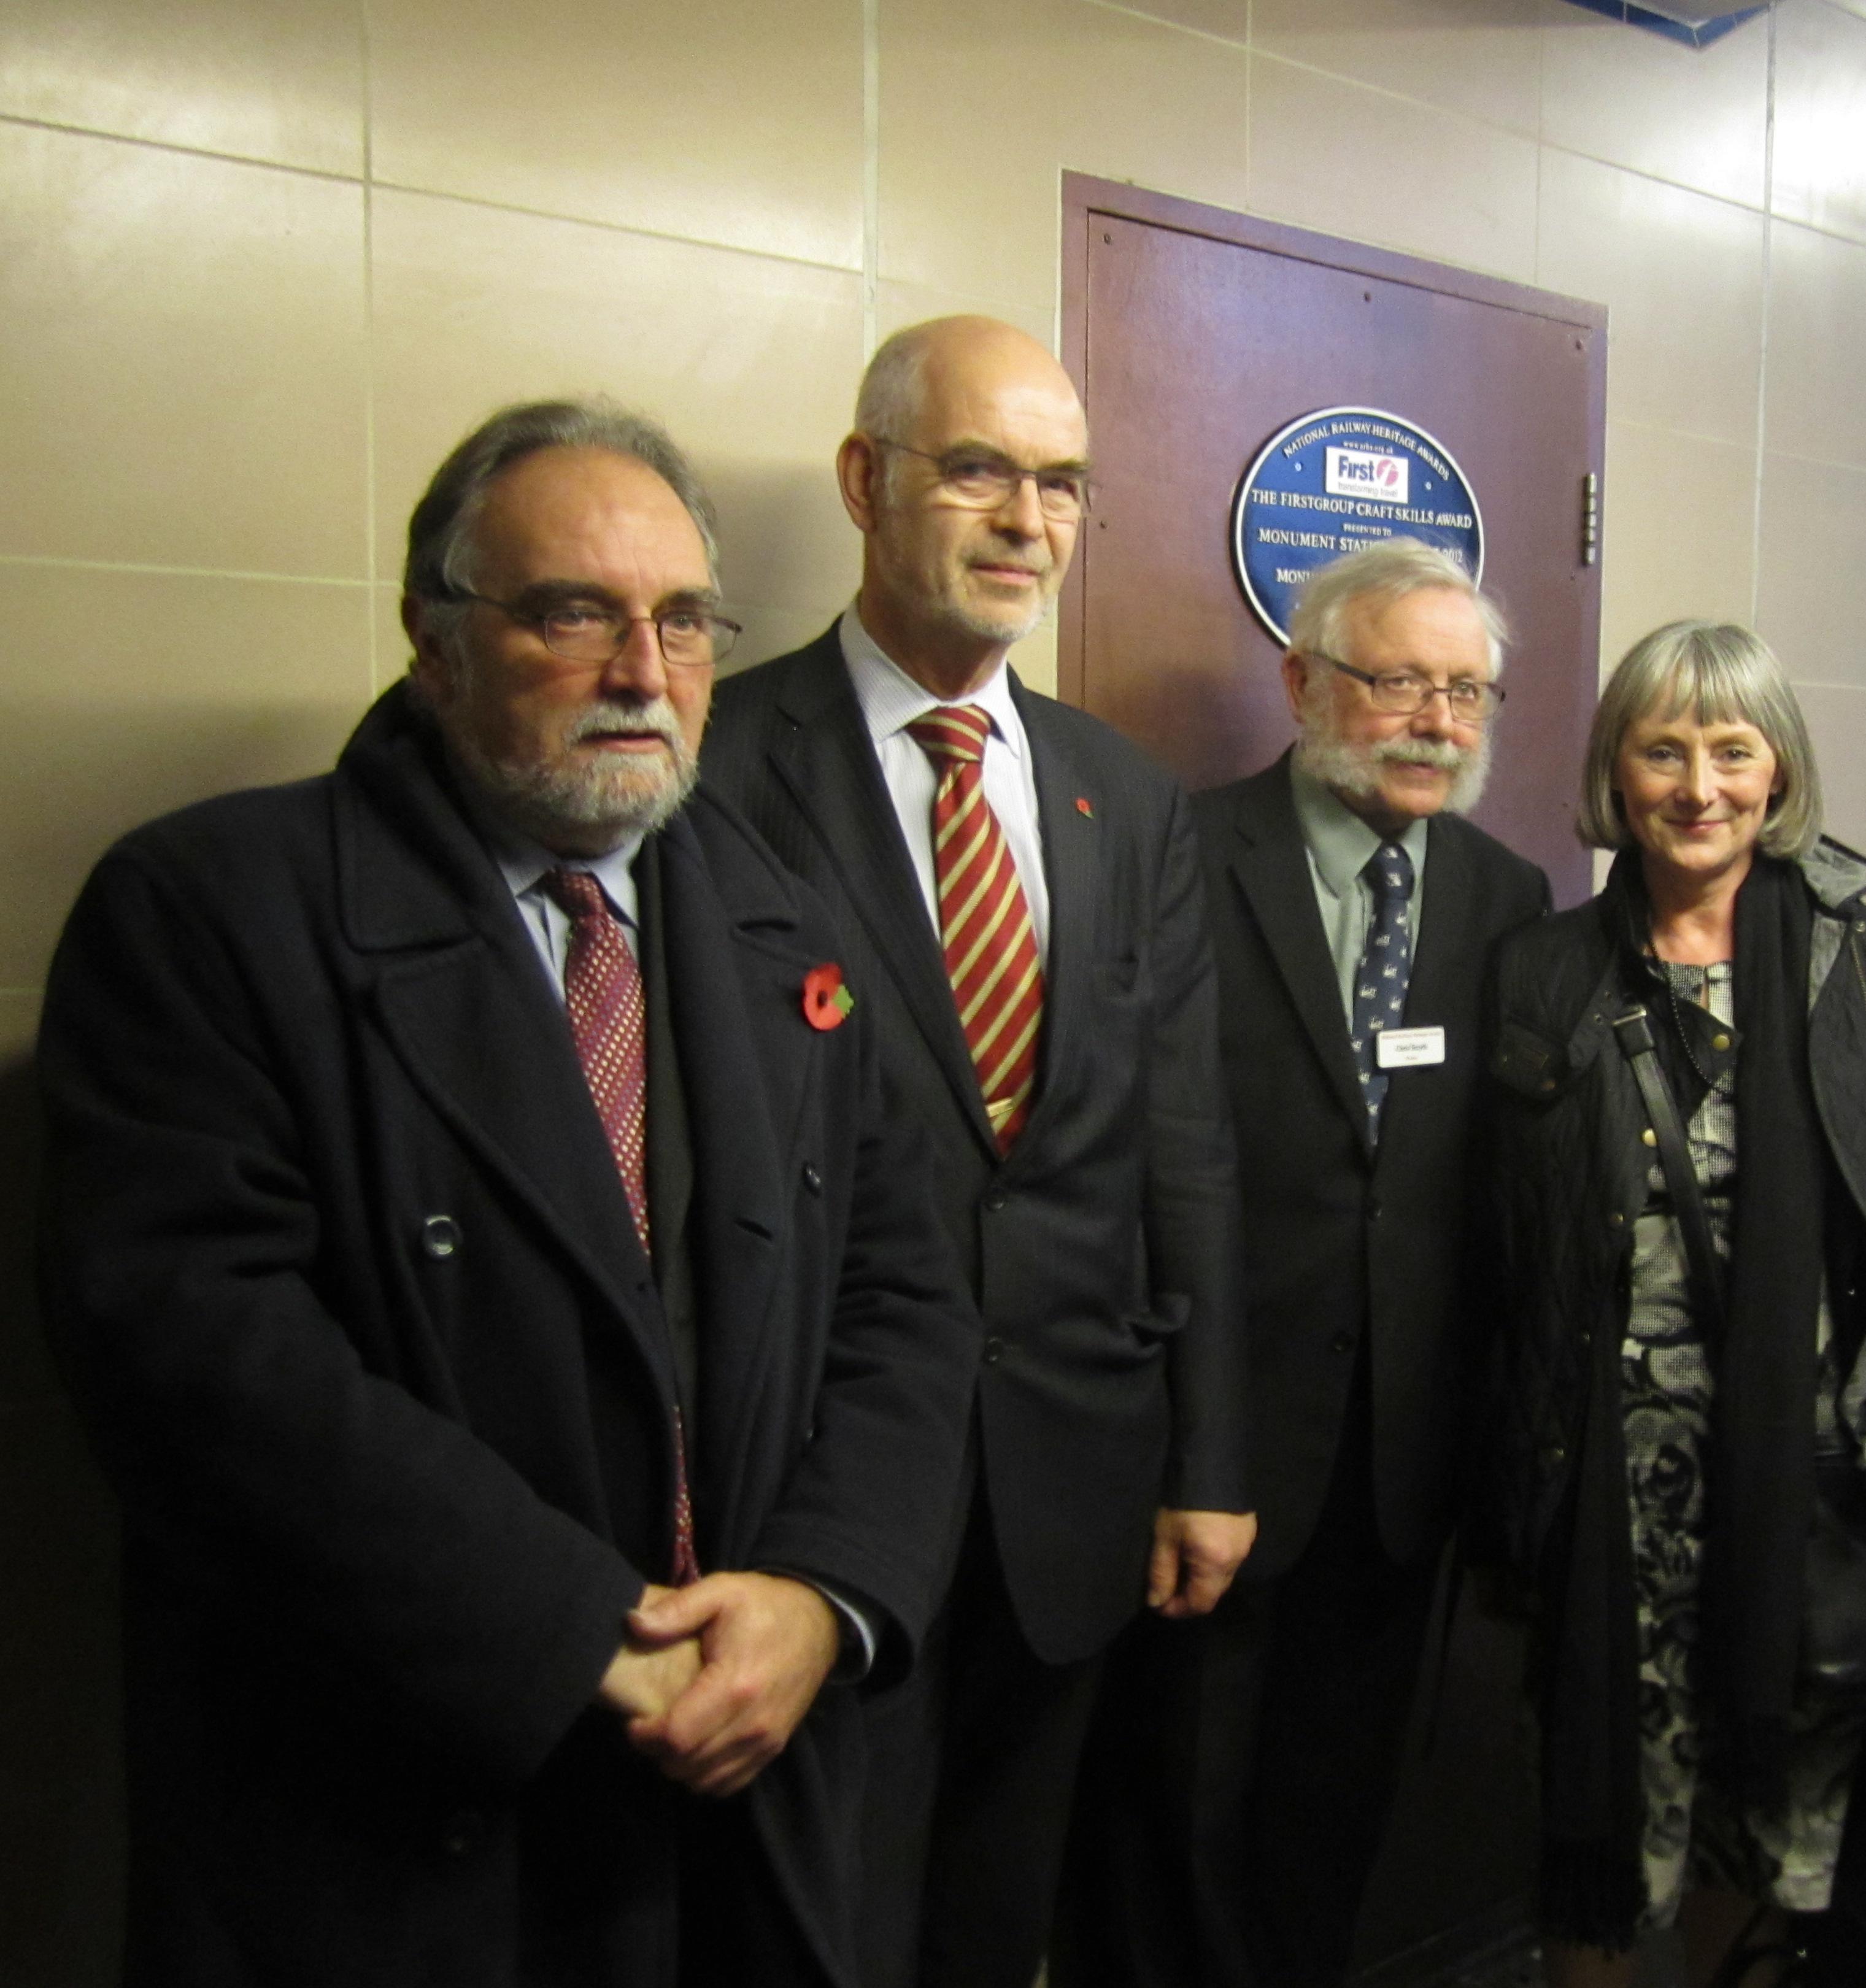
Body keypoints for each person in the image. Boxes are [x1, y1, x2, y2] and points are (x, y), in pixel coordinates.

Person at [36, 400, 984, 1987]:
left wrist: (826, 1597)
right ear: (433, 639)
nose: (644, 673)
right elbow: (202, 1365)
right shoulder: (210, 913)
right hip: (406, 1805)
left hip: (751, 1787)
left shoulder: (785, 930)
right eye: (572, 614)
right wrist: (584, 1638)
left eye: (683, 620)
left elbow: (908, 1298)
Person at [702, 315, 1249, 1988]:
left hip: (1072, 1494)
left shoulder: (1122, 796)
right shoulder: (712, 763)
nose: (1030, 519)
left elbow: (1183, 1143)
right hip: (810, 1497)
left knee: (998, 1924)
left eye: (1065, 483)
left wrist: (1208, 1453)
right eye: (982, 471)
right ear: (869, 483)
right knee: (815, 1938)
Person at [1057, 540, 1552, 1987]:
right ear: (1302, 680)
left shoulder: (1504, 895)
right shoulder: (1181, 857)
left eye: (1468, 691)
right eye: (1400, 681)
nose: (1438, 723)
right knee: (1173, 1811)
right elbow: (1125, 1166)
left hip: (1401, 1466)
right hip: (1210, 1446)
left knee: (1334, 1812)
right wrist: (1175, 1449)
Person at [1479, 621, 1866, 1987]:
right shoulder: (1544, 970)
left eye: (1734, 750)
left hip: (1797, 1492)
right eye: (1664, 750)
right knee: (1600, 1817)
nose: (1701, 786)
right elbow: (1500, 1245)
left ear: (1777, 772)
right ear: (1616, 774)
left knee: (1764, 1830)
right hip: (1604, 1485)